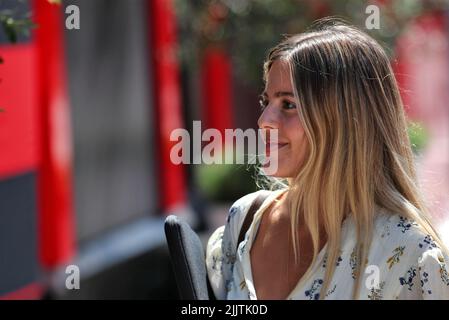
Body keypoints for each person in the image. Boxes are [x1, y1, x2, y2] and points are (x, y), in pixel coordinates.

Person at [205, 18, 449, 300]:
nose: (264, 121)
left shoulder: (412, 257)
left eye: (289, 104)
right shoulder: (245, 222)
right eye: (266, 102)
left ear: (345, 121)